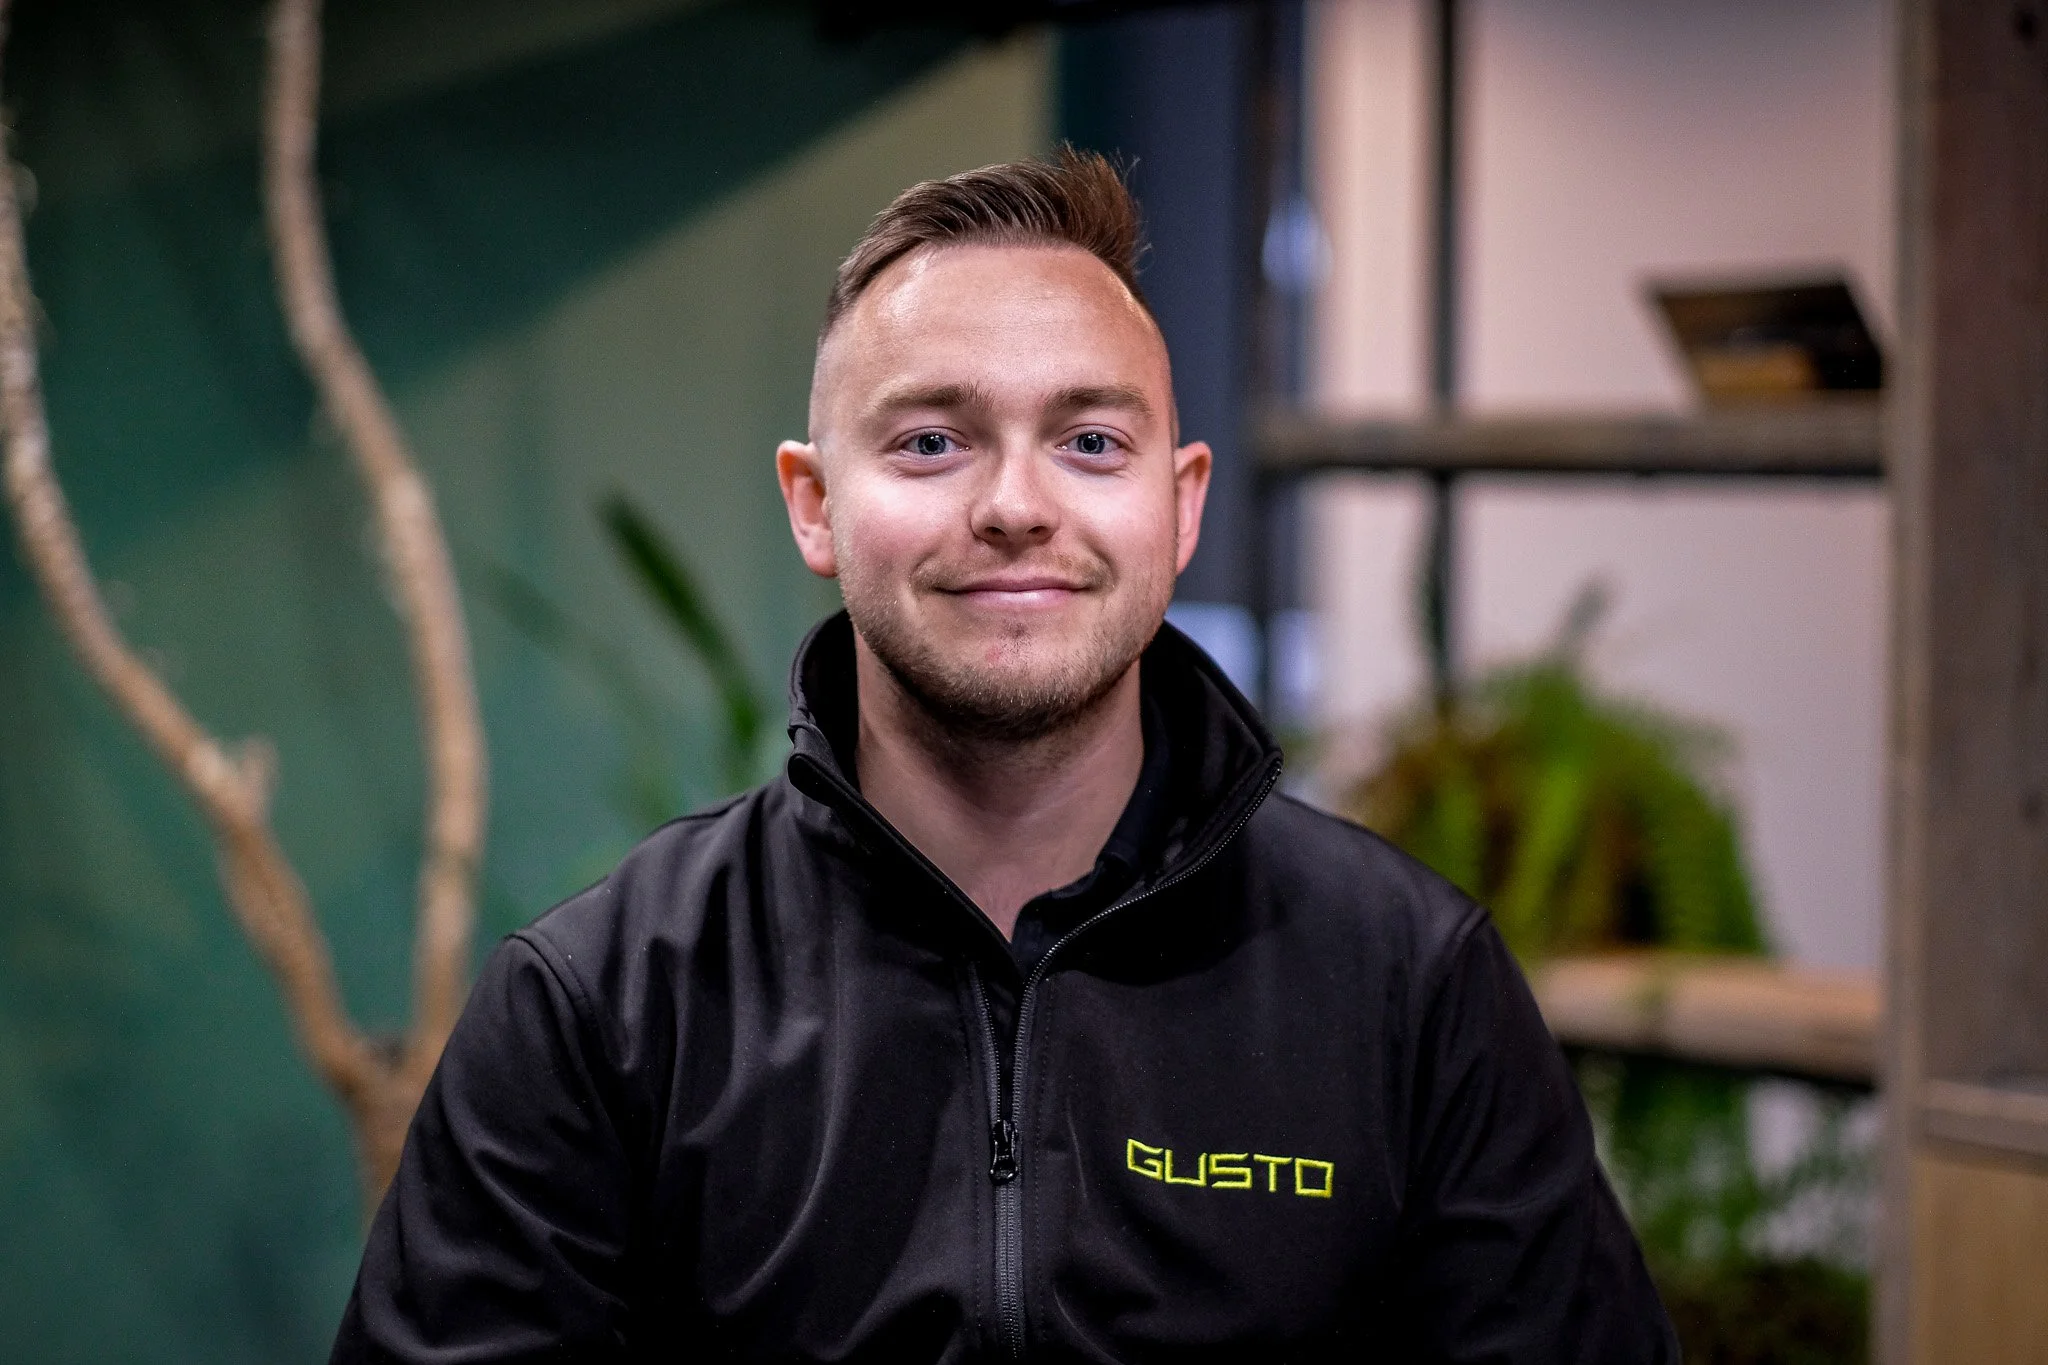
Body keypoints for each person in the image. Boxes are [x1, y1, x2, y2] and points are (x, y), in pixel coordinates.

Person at [331, 149, 1676, 1363]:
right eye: (931, 442)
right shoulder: (604, 1008)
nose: (1016, 507)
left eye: (1091, 442)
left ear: (1179, 502)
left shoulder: (1407, 987)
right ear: (816, 504)